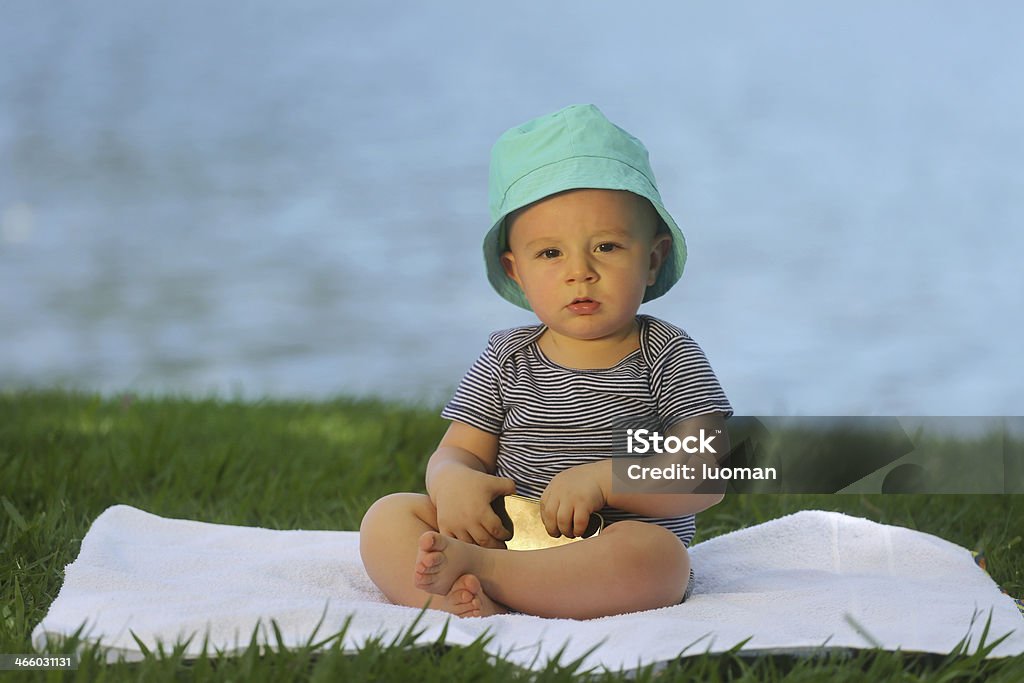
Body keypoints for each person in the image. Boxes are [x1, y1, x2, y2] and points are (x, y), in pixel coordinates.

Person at [359, 104, 732, 619]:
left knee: (659, 561)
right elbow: (457, 453)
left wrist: (608, 480)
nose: (580, 272)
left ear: (652, 258)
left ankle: (490, 583)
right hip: (503, 533)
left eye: (606, 246)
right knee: (389, 518)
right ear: (515, 270)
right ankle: (466, 592)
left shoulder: (667, 354)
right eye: (550, 254)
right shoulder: (506, 356)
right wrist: (453, 483)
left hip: (605, 550)